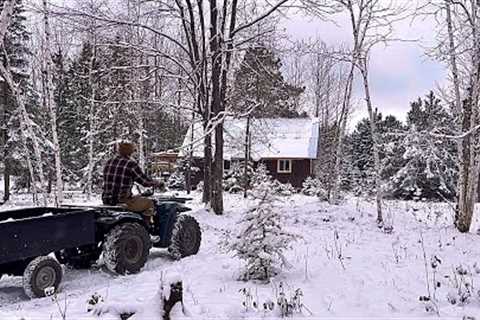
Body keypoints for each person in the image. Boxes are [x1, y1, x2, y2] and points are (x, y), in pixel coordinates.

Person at [102, 141, 163, 224]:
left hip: (107, 200)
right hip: (123, 200)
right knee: (149, 203)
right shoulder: (131, 164)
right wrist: (157, 183)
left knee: (136, 197)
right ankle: (145, 226)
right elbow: (144, 182)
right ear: (130, 152)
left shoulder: (109, 162)